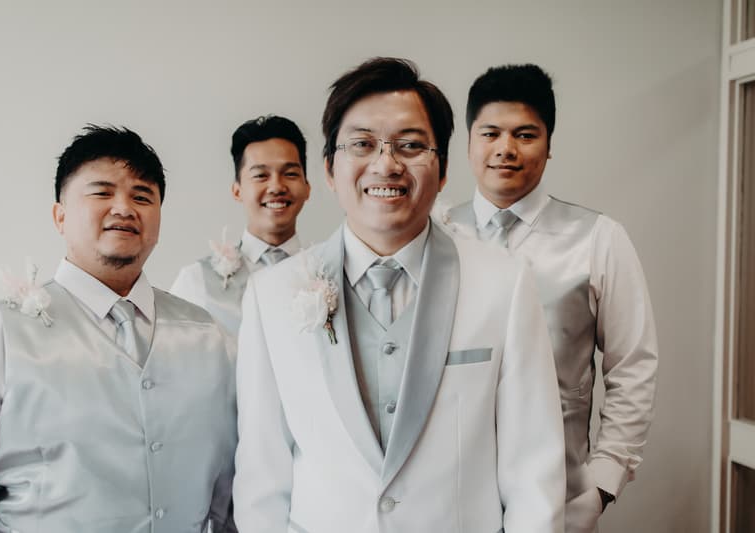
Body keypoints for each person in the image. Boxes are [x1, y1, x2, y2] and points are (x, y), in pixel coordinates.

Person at [233, 57, 566, 533]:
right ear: (329, 168)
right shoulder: (271, 295)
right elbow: (262, 478)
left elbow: (534, 471)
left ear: (444, 169)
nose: (386, 164)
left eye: (410, 145)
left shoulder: (505, 283)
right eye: (363, 144)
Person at [0, 125, 237, 532]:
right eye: (102, 192)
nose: (124, 208)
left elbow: (231, 499)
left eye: (142, 196)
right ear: (60, 215)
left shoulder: (209, 337)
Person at [446, 64, 658, 533]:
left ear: (548, 143)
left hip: (559, 500)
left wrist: (602, 483)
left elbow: (633, 365)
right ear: (469, 144)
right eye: (491, 133)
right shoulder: (437, 234)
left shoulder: (599, 237)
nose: (506, 149)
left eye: (525, 134)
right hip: (447, 501)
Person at [170, 115, 311, 340]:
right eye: (260, 175)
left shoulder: (329, 272)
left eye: (290, 174)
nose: (276, 186)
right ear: (237, 190)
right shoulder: (196, 281)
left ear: (307, 188)